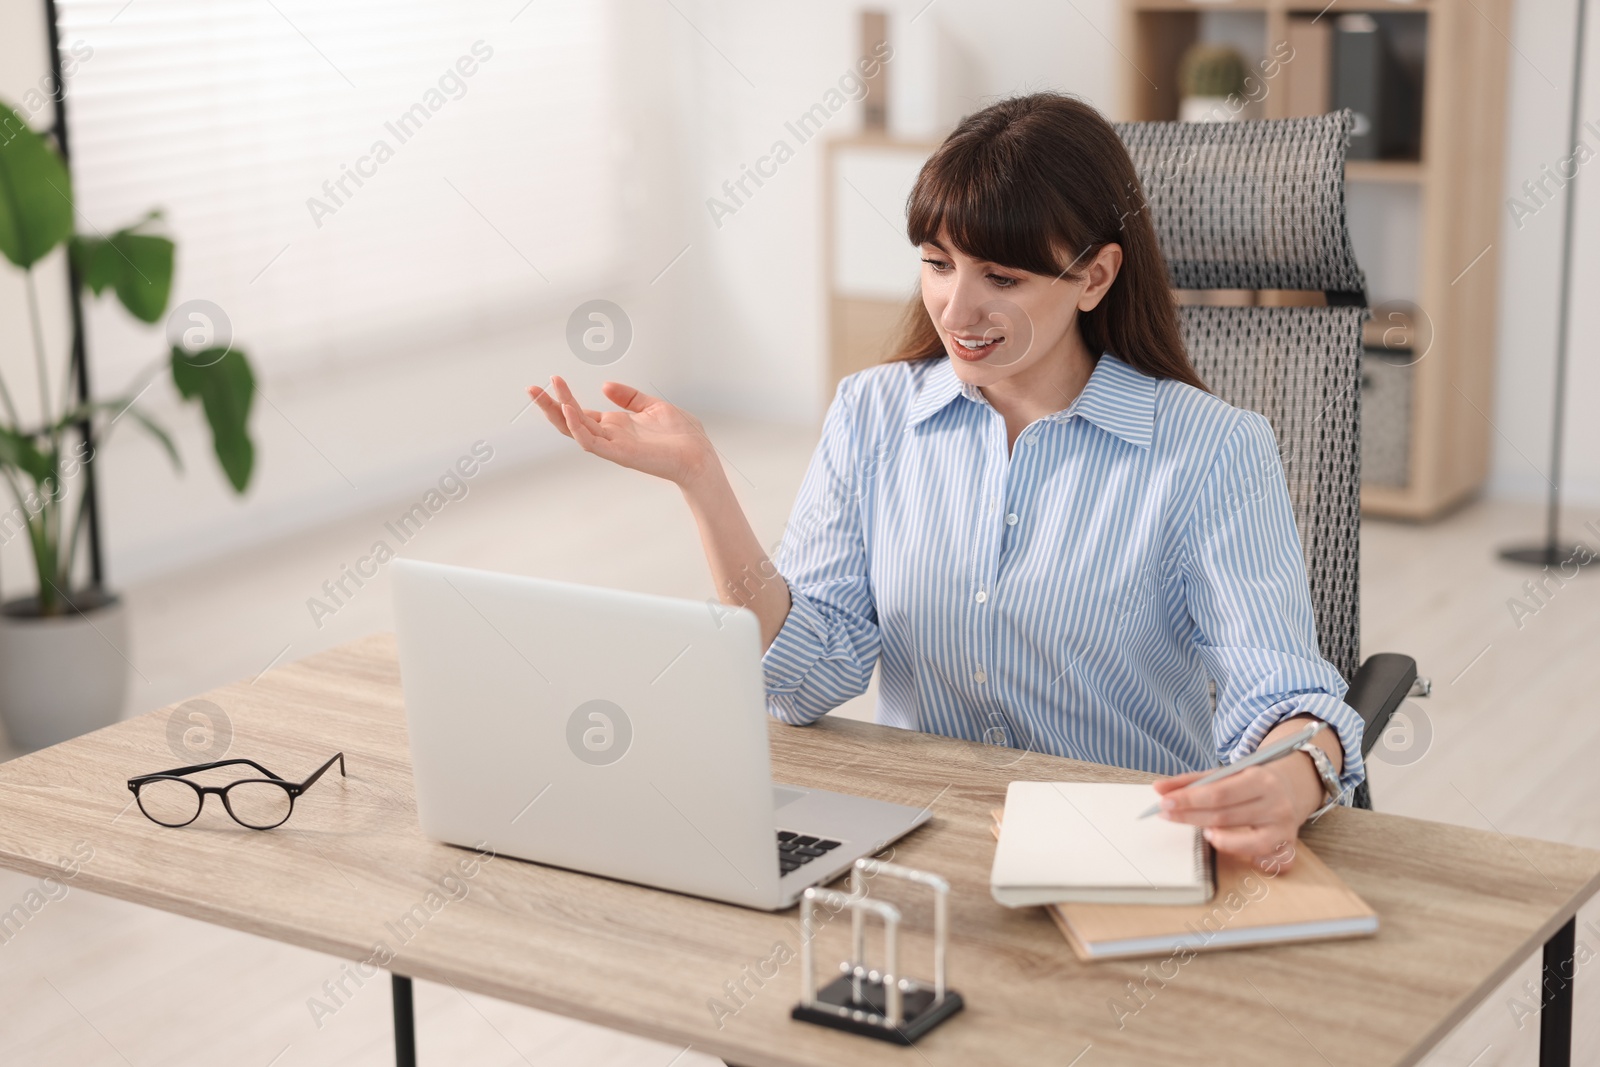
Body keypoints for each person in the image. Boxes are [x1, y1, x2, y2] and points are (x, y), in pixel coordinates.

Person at [527, 92, 1363, 871]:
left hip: (1122, 853)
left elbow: (1282, 689)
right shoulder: (873, 414)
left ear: (1095, 277)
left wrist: (1298, 772)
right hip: (925, 845)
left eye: (1001, 278)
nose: (956, 310)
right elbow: (806, 677)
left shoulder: (1210, 450)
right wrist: (701, 481)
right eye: (936, 263)